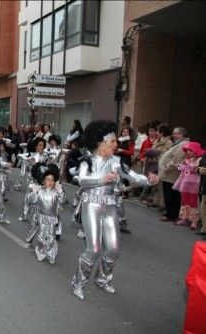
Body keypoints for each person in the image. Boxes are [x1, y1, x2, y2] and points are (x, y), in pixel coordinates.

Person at [70, 120, 158, 300]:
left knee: (114, 248)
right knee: (93, 249)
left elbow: (133, 176)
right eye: (113, 142)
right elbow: (82, 180)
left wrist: (148, 180)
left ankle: (102, 279)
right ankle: (78, 282)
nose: (116, 145)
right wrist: (103, 179)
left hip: (110, 206)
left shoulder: (117, 162)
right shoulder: (88, 161)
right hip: (92, 204)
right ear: (101, 142)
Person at [22, 163, 65, 264]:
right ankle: (40, 252)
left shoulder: (56, 192)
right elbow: (31, 200)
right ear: (43, 181)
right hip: (41, 216)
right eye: (47, 179)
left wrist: (61, 191)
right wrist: (34, 192)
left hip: (52, 218)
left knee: (51, 236)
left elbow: (62, 201)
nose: (50, 182)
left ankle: (51, 254)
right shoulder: (40, 191)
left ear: (55, 182)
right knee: (41, 235)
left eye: (52, 180)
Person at [158, 127, 189, 222]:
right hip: (169, 173)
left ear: (182, 134)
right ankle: (170, 212)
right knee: (169, 194)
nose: (173, 135)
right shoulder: (179, 143)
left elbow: (177, 158)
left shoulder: (183, 144)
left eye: (175, 133)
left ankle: (171, 215)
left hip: (171, 173)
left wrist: (167, 168)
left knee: (171, 195)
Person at [173, 142, 204, 229]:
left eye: (190, 150)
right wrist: (182, 166)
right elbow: (181, 168)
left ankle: (194, 221)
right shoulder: (186, 158)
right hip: (185, 182)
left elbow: (195, 168)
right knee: (184, 201)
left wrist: (187, 165)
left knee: (193, 202)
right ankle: (184, 218)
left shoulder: (199, 159)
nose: (188, 152)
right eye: (187, 150)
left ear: (196, 151)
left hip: (194, 184)